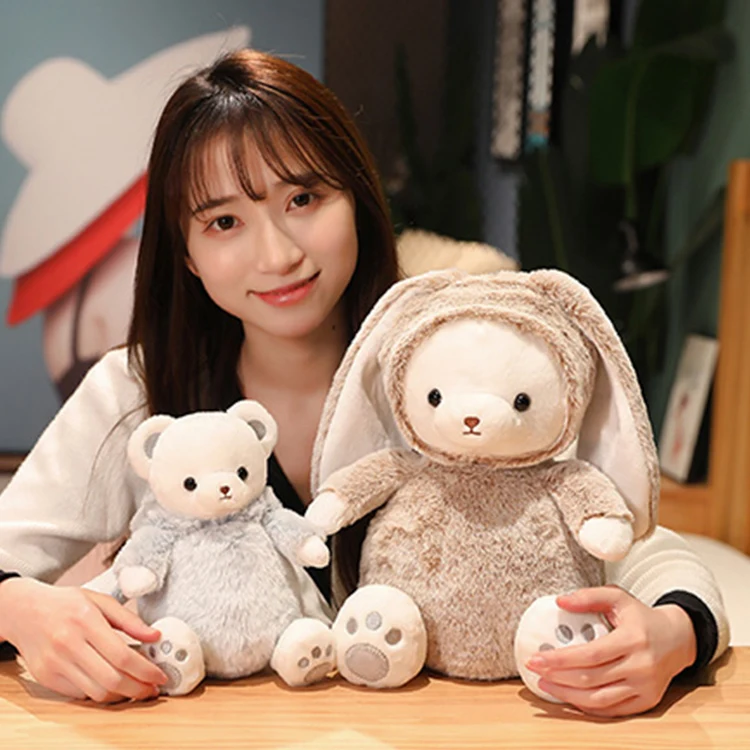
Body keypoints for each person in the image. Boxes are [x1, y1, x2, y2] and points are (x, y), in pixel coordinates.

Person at [0, 49, 728, 715]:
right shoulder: (137, 389)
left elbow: (640, 547)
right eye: (223, 222)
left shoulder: (447, 365)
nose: (277, 255)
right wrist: (24, 611)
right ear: (186, 254)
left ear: (358, 198)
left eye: (303, 199)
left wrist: (674, 632)